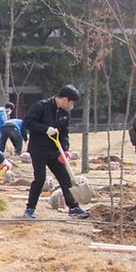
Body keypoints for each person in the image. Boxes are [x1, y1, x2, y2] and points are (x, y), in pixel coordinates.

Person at [23, 85, 90, 220]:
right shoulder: (41, 106)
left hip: (55, 151)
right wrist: (45, 129)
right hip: (38, 150)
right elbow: (27, 123)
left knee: (65, 178)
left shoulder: (64, 113)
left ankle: (73, 208)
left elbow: (64, 133)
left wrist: (65, 150)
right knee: (40, 179)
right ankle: (30, 209)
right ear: (65, 99)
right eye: (71, 102)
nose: (71, 105)